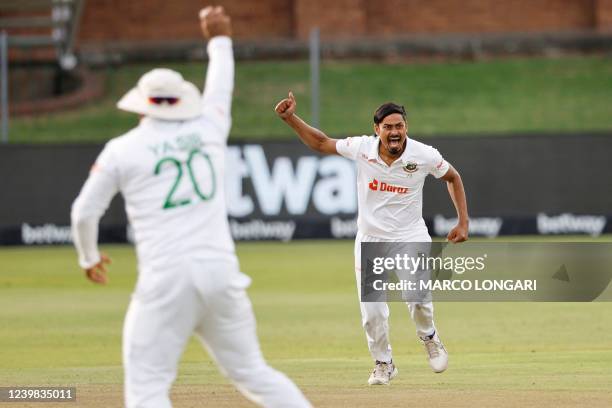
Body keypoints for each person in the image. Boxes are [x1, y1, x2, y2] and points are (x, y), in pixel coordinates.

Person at [71, 7, 311, 408]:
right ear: (182, 101)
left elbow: (83, 212)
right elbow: (220, 86)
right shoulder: (209, 128)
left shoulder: (122, 149)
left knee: (147, 388)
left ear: (141, 104)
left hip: (165, 280)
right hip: (221, 275)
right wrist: (219, 37)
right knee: (254, 374)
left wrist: (88, 257)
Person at [274, 92, 469, 385]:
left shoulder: (424, 155)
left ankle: (429, 338)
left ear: (406, 127)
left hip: (410, 235)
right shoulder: (361, 148)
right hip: (371, 238)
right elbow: (320, 142)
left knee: (417, 299)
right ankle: (384, 363)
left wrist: (463, 221)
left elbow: (453, 177)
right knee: (373, 312)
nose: (394, 132)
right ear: (376, 129)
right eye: (388, 127)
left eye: (399, 126)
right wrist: (289, 118)